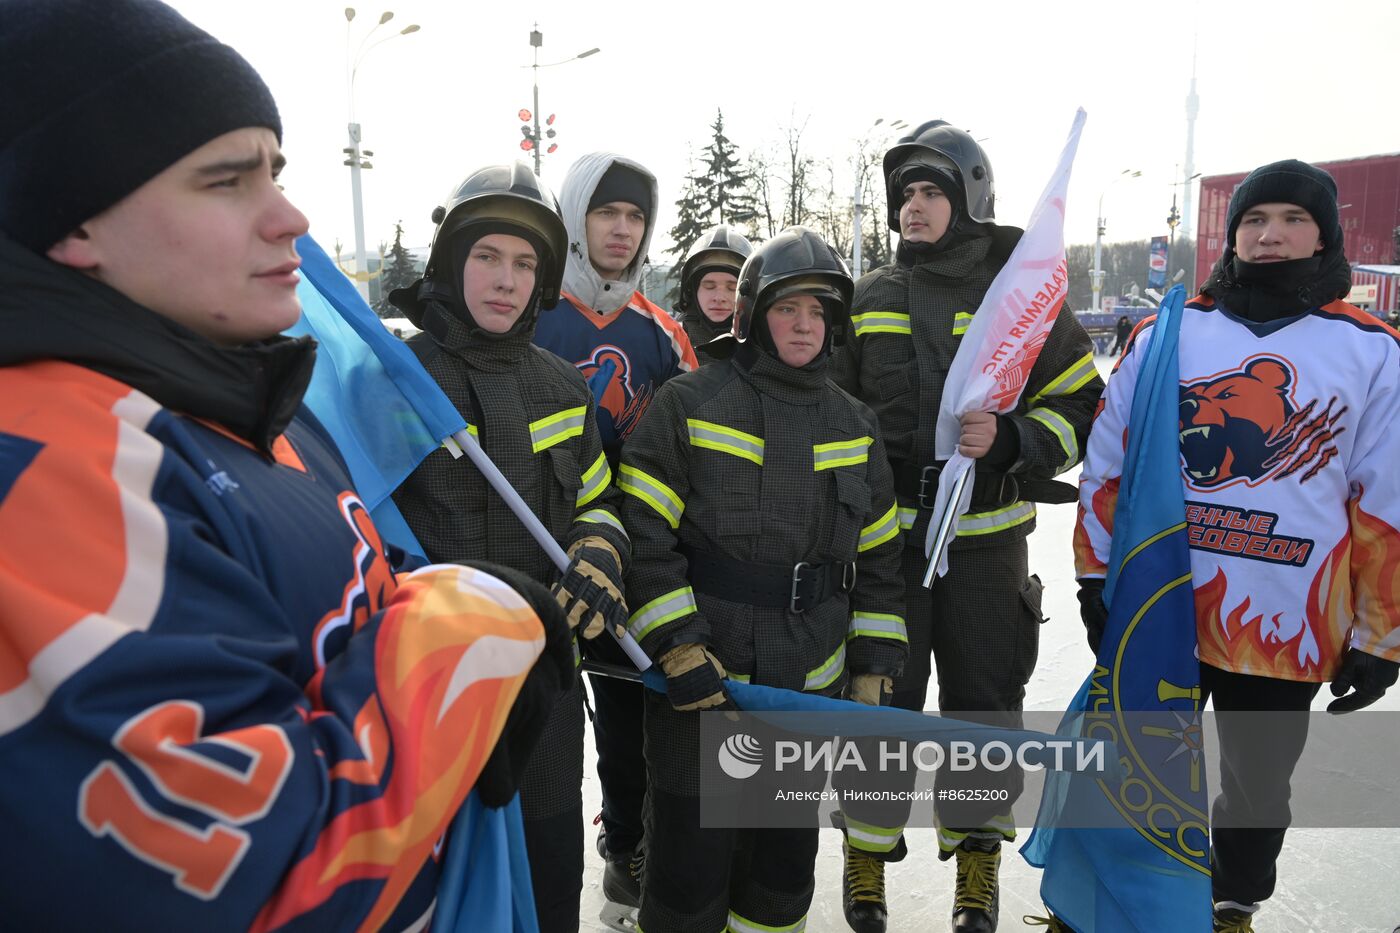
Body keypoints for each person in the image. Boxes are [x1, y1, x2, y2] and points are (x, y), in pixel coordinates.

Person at [0, 1, 574, 929]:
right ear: (76, 224)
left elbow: (325, 610)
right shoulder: (43, 472)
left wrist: (434, 586)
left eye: (276, 170)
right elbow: (277, 877)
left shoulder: (246, 404)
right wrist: (481, 621)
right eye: (227, 181)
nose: (291, 218)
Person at [1075, 159, 1400, 933]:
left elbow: (1385, 502)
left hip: (1286, 625)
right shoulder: (1168, 333)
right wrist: (1095, 576)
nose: (1270, 233)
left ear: (1324, 234)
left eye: (1292, 218)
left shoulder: (1371, 350)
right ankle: (1116, 901)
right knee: (1138, 769)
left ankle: (1231, 905)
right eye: (1254, 220)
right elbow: (1108, 465)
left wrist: (1380, 635)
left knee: (1256, 787)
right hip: (1163, 610)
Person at [828, 120, 1104, 933]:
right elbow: (830, 412)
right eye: (905, 194)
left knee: (984, 711)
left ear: (970, 198)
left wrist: (1016, 441)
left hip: (987, 544)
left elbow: (1084, 402)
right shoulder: (870, 296)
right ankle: (867, 855)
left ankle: (977, 864)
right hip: (890, 551)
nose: (913, 207)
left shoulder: (1018, 296)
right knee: (879, 706)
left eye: (930, 192)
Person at [619, 226, 907, 933]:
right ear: (751, 316)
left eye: (818, 310)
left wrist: (873, 665)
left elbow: (878, 562)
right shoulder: (690, 403)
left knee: (778, 884)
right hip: (705, 686)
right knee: (688, 880)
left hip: (804, 688)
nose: (805, 324)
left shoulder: (855, 424)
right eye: (788, 308)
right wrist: (679, 644)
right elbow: (644, 536)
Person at [388, 162, 630, 933]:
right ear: (451, 262)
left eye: (525, 263)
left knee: (549, 888)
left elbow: (600, 498)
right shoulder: (396, 383)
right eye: (488, 256)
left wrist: (599, 551)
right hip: (429, 700)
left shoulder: (561, 386)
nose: (506, 279)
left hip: (547, 704)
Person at [532, 151, 699, 918]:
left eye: (635, 217)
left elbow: (694, 441)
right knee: (540, 726)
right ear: (575, 216)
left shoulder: (661, 333)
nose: (621, 230)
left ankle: (627, 842)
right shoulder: (529, 310)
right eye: (607, 213)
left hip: (624, 556)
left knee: (630, 719)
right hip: (529, 552)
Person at [673, 224, 754, 360]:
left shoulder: (769, 351)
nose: (719, 298)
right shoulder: (669, 347)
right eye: (709, 286)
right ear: (691, 291)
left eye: (732, 288)